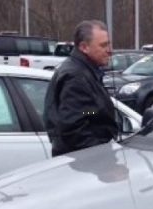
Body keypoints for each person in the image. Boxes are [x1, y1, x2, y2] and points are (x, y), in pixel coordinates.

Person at [44, 20, 117, 156]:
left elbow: (83, 113)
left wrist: (96, 112)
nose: (110, 51)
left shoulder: (85, 71)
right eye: (103, 45)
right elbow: (73, 126)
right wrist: (102, 155)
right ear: (84, 47)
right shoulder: (76, 77)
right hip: (84, 163)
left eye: (109, 44)